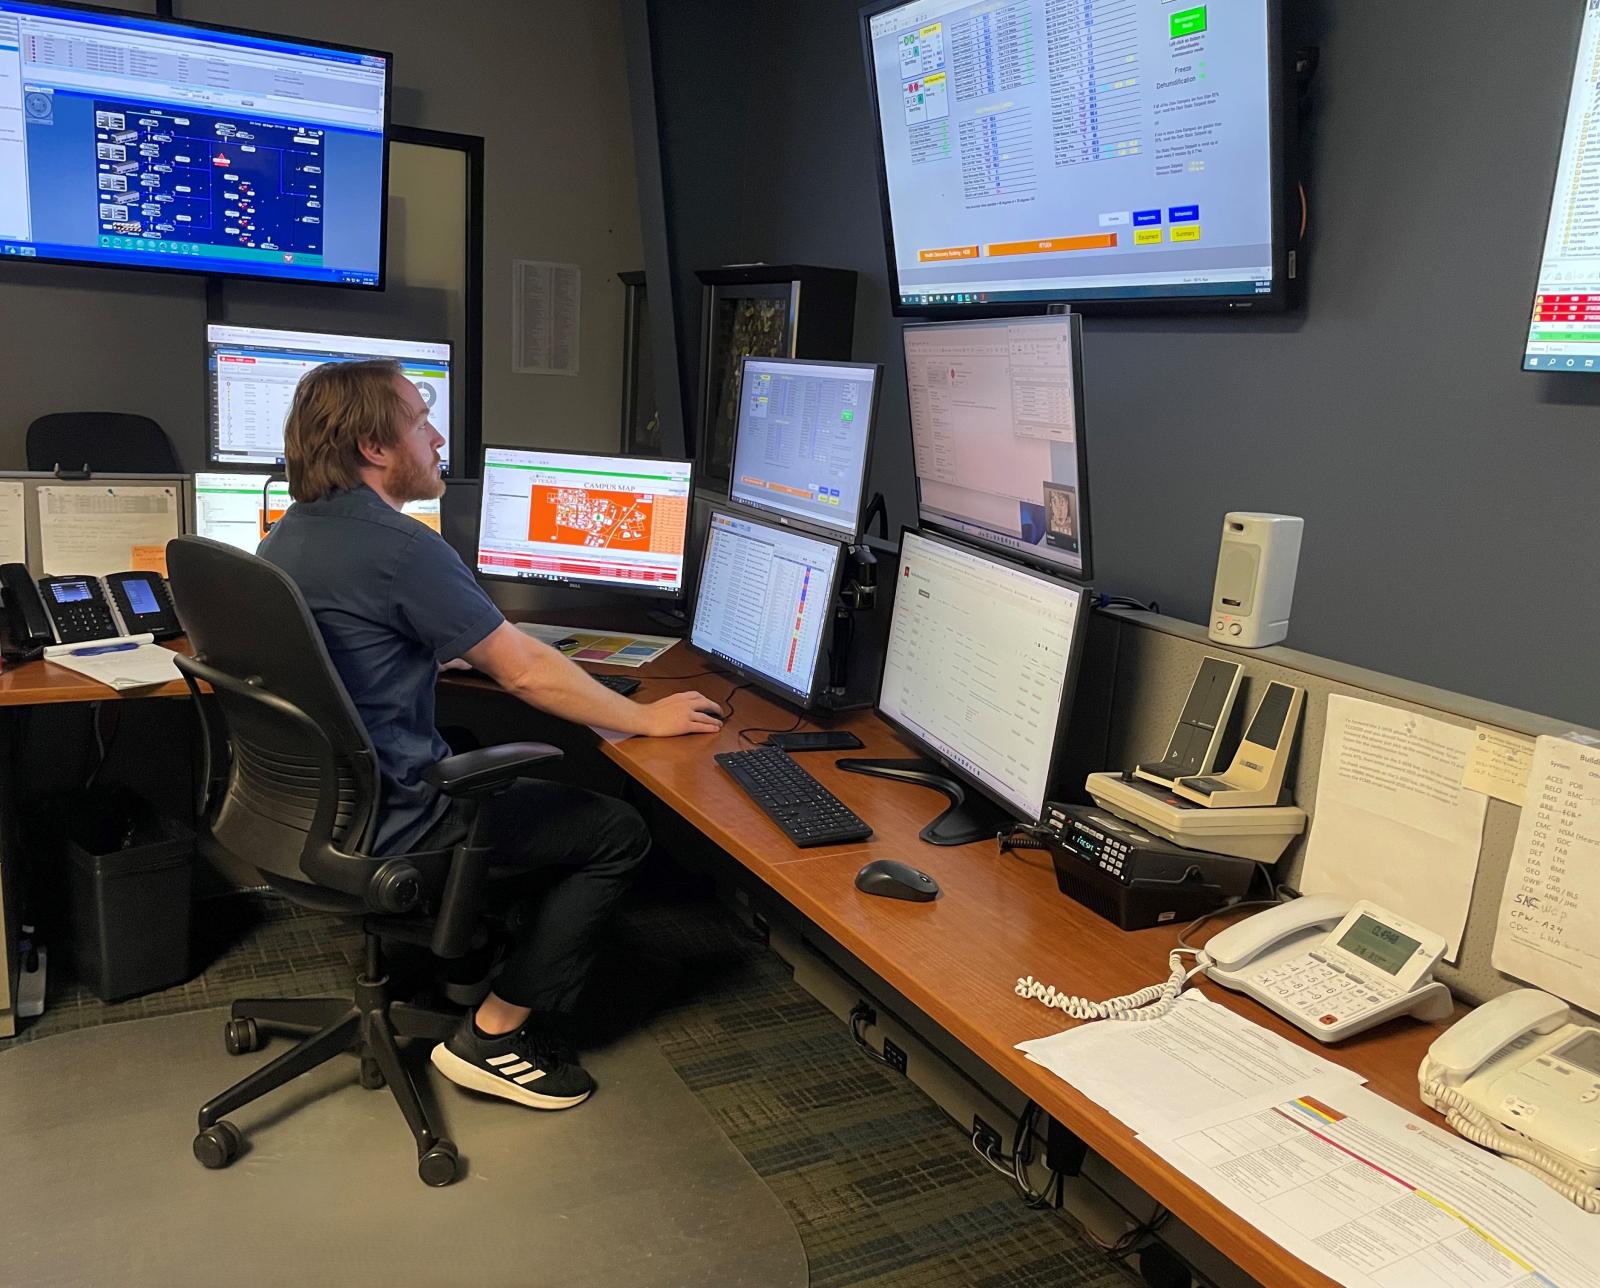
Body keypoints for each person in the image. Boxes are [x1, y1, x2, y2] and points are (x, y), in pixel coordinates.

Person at [258, 358, 723, 1111]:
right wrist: (643, 716)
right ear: (376, 447)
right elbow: (527, 675)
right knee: (615, 830)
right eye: (419, 422)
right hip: (399, 823)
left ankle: (471, 954)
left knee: (471, 733)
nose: (437, 438)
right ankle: (496, 1033)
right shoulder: (401, 549)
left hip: (307, 814)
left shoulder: (290, 535)